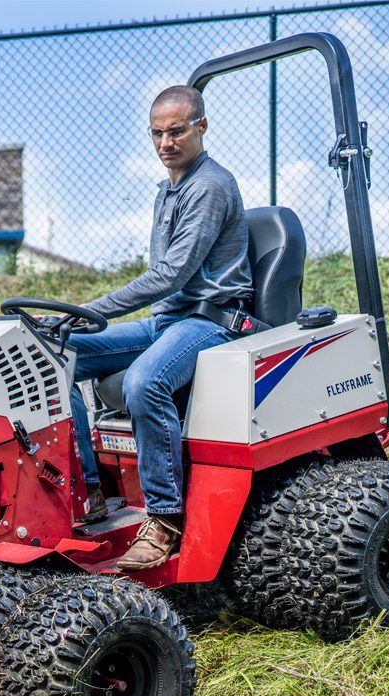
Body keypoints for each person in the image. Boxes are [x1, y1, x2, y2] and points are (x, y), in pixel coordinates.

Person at [67, 84, 253, 571]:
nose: (165, 142)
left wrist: (93, 308)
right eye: (157, 133)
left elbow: (172, 274)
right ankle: (88, 492)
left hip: (211, 321)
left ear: (202, 127)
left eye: (176, 131)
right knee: (56, 356)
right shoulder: (168, 188)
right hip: (170, 321)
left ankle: (165, 519)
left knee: (144, 381)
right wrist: (70, 322)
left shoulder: (209, 186)